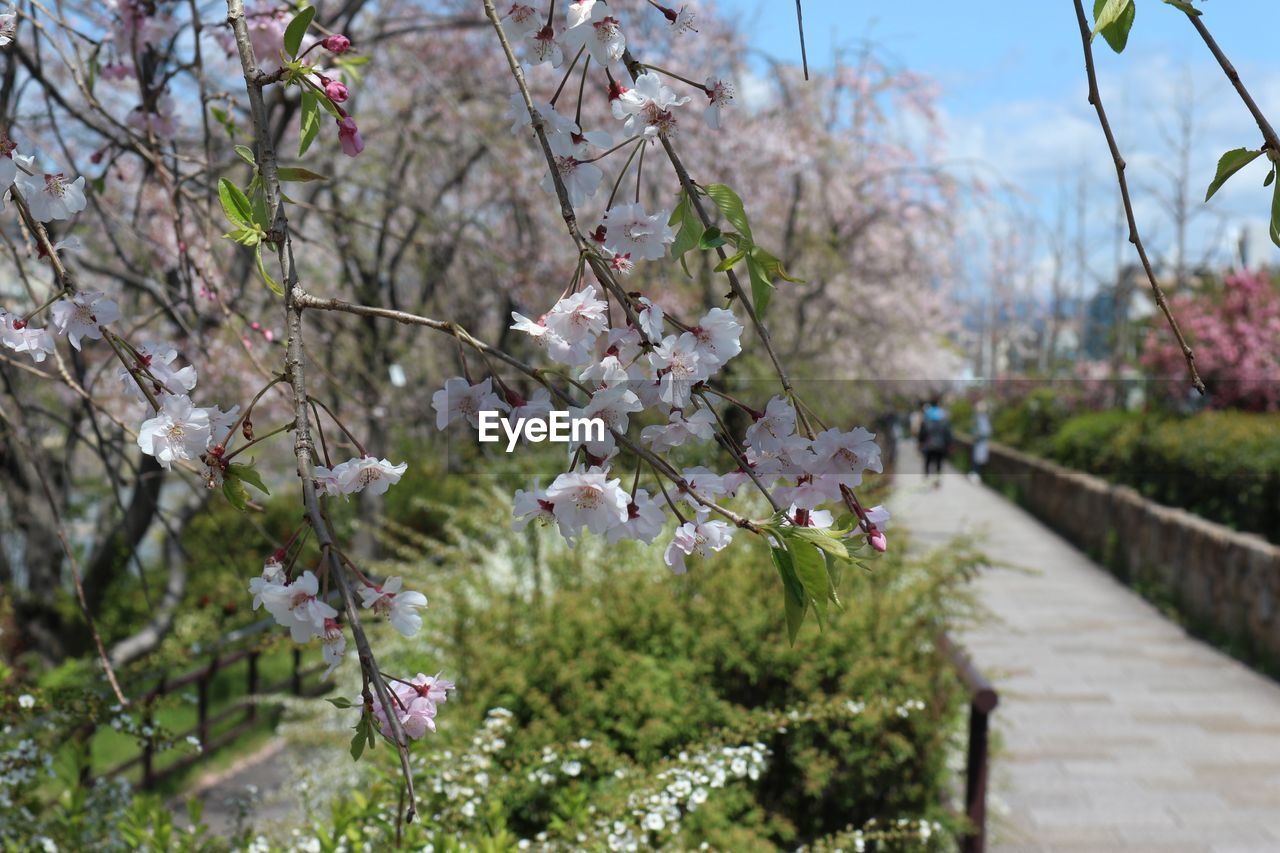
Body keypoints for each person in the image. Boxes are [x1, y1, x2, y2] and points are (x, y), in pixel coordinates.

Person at [918, 399, 951, 484]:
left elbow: (922, 431)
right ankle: (937, 481)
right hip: (941, 445)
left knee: (927, 462)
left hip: (928, 444)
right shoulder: (943, 416)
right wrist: (949, 443)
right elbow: (947, 432)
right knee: (939, 464)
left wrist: (920, 442)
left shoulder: (927, 416)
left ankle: (927, 479)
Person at [970, 400, 992, 483]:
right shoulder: (976, 418)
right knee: (976, 459)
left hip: (982, 443)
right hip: (978, 442)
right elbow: (974, 430)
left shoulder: (985, 418)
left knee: (980, 459)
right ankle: (975, 474)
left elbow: (987, 431)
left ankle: (977, 474)